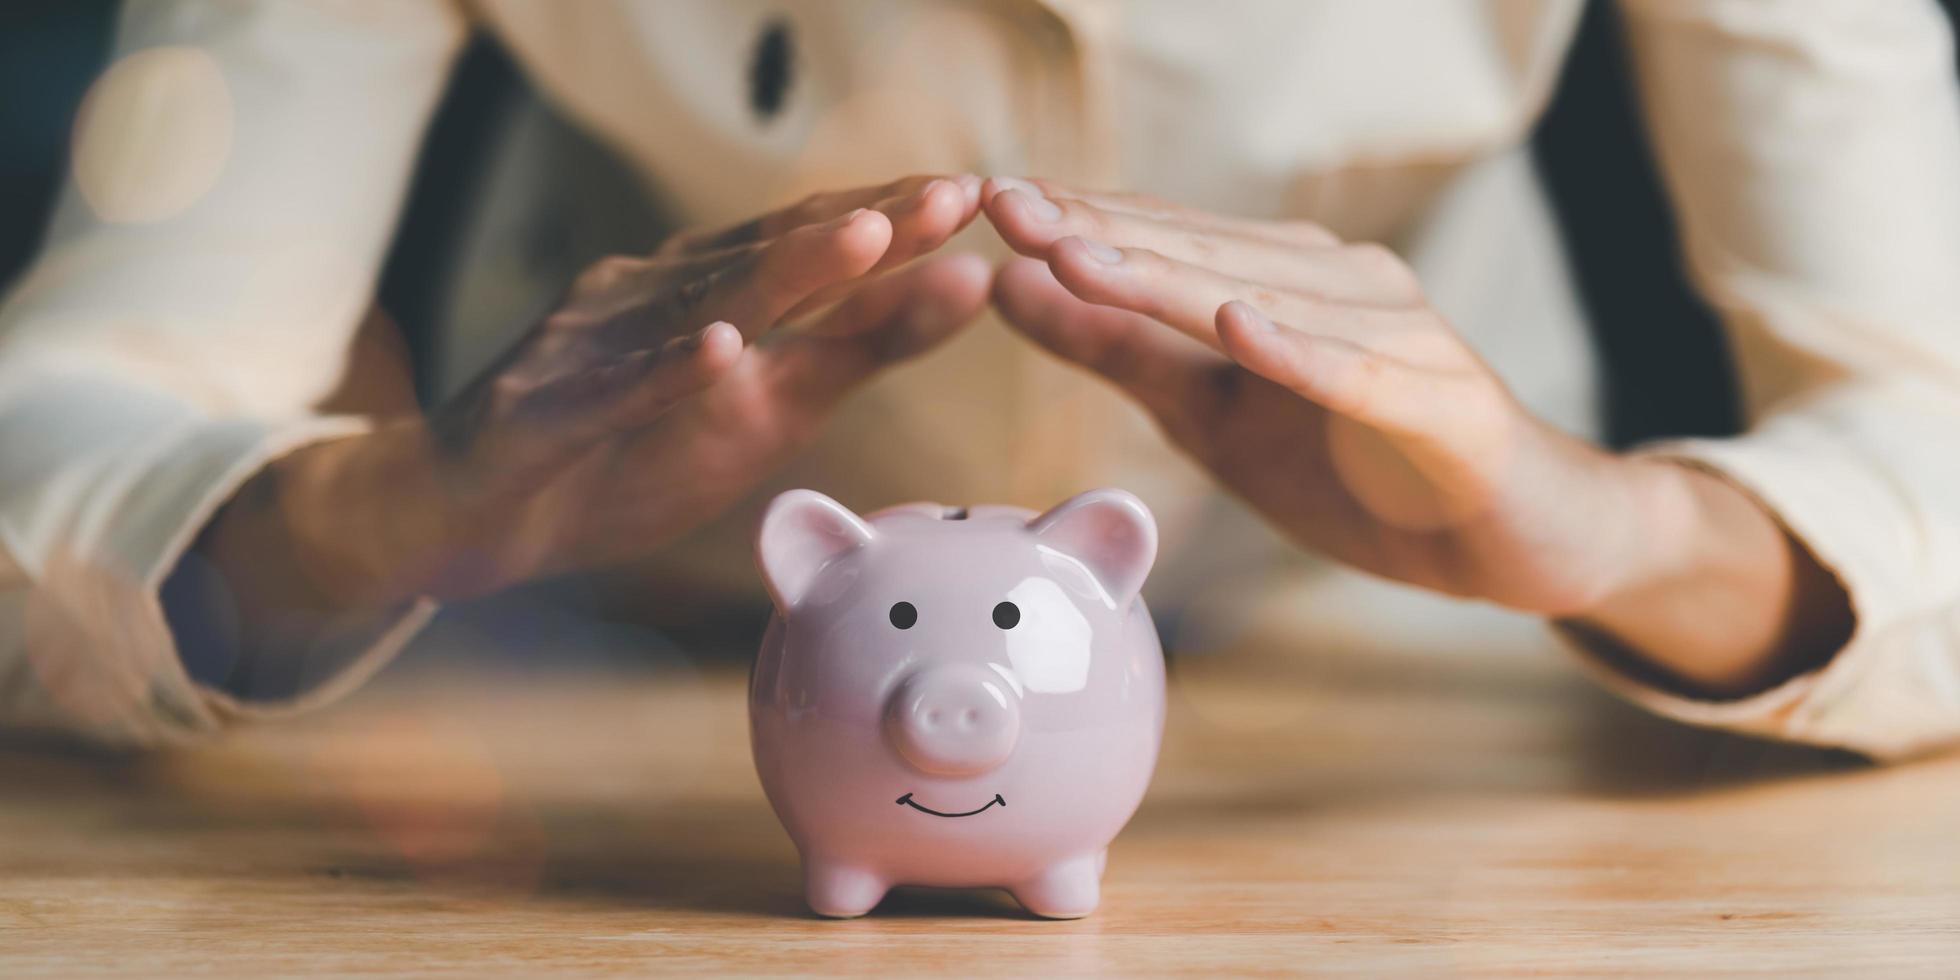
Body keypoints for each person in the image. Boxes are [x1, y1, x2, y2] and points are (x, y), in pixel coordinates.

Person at [1, 0, 1956, 757]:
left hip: (1427, 692)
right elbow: (67, 406)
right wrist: (380, 513)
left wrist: (1611, 524)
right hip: (609, 698)